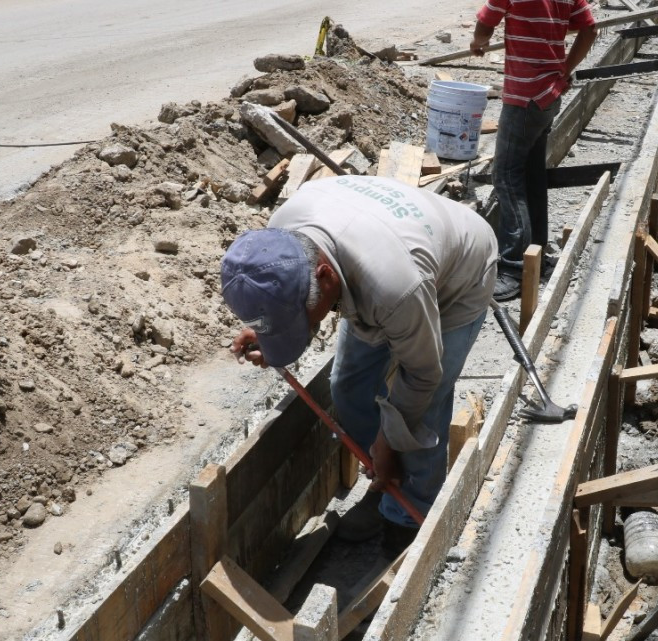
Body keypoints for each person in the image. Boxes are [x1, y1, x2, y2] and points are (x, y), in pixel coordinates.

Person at [221, 175, 497, 558]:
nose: (305, 327)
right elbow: (286, 297)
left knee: (423, 413)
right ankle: (387, 480)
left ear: (325, 277)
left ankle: (409, 515)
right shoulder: (277, 246)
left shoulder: (394, 288)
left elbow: (423, 374)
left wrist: (391, 439)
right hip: (383, 250)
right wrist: (272, 331)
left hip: (461, 272)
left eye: (302, 319)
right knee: (348, 387)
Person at [469, 0, 598, 301]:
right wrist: (565, 69)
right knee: (532, 175)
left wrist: (478, 42)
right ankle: (535, 255)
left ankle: (514, 268)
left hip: (524, 97)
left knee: (506, 177)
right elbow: (590, 29)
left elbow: (486, 24)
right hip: (549, 94)